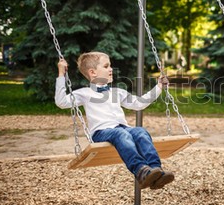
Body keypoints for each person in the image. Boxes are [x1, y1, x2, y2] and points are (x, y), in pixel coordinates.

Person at [55, 51, 174, 190]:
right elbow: (61, 102)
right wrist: (61, 74)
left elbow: (139, 103)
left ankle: (156, 171)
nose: (111, 69)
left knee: (140, 131)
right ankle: (141, 171)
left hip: (123, 128)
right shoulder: (84, 93)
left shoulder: (117, 92)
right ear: (93, 73)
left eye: (110, 66)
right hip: (101, 132)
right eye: (106, 66)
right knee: (121, 134)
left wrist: (159, 86)